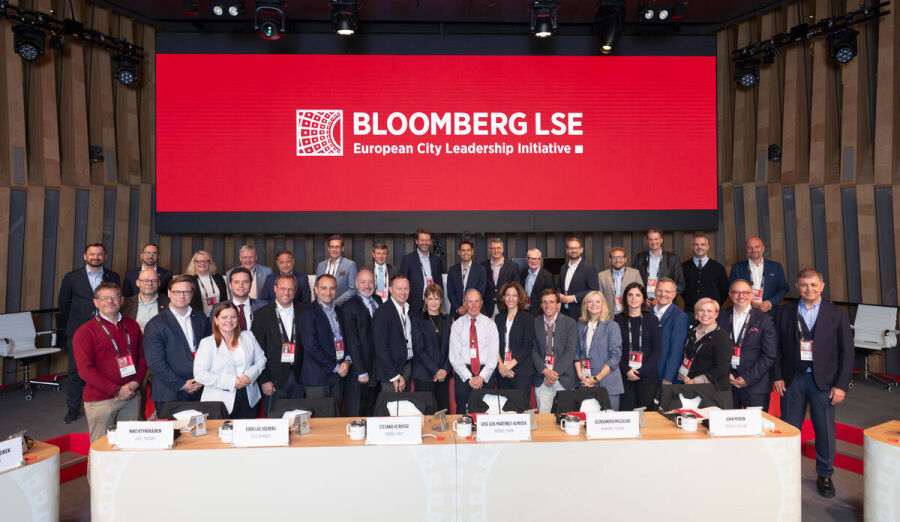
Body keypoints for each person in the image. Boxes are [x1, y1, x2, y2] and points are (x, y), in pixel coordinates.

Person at [773, 269, 853, 498]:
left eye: (814, 285)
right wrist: (777, 376)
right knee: (789, 428)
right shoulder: (785, 312)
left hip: (825, 382)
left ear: (822, 286)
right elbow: (774, 347)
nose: (809, 289)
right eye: (805, 285)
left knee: (824, 430)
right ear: (797, 286)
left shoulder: (836, 314)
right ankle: (786, 472)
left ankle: (825, 474)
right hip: (792, 380)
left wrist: (841, 385)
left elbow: (847, 353)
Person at [72, 282, 146, 442]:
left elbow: (142, 357)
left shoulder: (132, 325)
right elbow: (85, 370)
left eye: (114, 297)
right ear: (96, 302)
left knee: (129, 446)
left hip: (131, 396)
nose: (110, 301)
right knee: (101, 450)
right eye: (104, 298)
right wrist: (116, 390)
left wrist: (135, 383)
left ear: (121, 300)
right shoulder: (85, 332)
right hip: (102, 400)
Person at [58, 243, 121, 424]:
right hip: (78, 330)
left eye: (99, 254)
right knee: (76, 371)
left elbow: (115, 301)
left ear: (105, 257)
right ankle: (72, 409)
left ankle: (109, 404)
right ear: (85, 256)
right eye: (92, 254)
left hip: (106, 329)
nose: (96, 257)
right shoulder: (71, 277)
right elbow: (64, 304)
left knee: (107, 367)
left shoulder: (113, 276)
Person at [144, 275, 211, 414]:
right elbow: (156, 363)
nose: (182, 296)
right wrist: (181, 384)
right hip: (170, 392)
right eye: (177, 292)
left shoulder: (201, 318)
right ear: (169, 293)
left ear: (192, 294)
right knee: (174, 435)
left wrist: (204, 379)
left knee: (201, 432)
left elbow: (210, 351)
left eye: (186, 292)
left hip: (200, 389)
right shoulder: (155, 324)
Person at [194, 302, 267, 419]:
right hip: (219, 402)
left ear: (237, 319)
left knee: (247, 435)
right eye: (224, 317)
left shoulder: (248, 336)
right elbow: (200, 374)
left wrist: (250, 375)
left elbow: (261, 359)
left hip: (248, 397)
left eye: (233, 317)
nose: (229, 320)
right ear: (216, 320)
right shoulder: (207, 343)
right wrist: (232, 381)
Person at [717, 279, 777, 409]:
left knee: (755, 428)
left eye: (745, 292)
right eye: (736, 292)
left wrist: (747, 378)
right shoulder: (719, 317)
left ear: (752, 295)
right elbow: (714, 350)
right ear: (730, 294)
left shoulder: (765, 320)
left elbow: (769, 355)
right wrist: (724, 373)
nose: (741, 296)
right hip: (726, 383)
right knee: (728, 427)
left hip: (756, 386)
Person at [251, 274, 305, 416]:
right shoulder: (261, 314)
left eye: (290, 289)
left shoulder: (305, 311)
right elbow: (257, 351)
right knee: (275, 422)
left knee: (299, 421)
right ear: (275, 289)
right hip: (273, 380)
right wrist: (264, 379)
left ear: (295, 290)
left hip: (300, 378)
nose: (286, 293)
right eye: (282, 288)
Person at [339, 269, 383, 416]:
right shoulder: (348, 307)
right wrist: (361, 371)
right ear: (356, 284)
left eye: (371, 282)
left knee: (372, 411)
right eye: (363, 282)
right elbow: (352, 342)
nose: (367, 285)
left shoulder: (377, 300)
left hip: (376, 369)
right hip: (359, 372)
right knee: (357, 414)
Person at [373, 274, 427, 393]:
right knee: (392, 408)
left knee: (404, 408)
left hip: (406, 366)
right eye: (399, 288)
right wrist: (394, 375)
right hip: (391, 373)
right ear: (390, 289)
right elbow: (380, 348)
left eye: (406, 288)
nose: (403, 292)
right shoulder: (382, 312)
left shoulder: (409, 310)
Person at [449, 289, 499, 412]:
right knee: (462, 411)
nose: (473, 305)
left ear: (481, 303)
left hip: (486, 374)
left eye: (476, 301)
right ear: (464, 303)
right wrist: (470, 378)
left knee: (487, 412)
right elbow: (454, 356)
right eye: (470, 302)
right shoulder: (457, 325)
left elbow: (494, 355)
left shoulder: (490, 324)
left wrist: (481, 377)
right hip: (463, 375)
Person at [300, 275, 349, 399]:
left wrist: (347, 361)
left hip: (338, 375)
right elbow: (311, 347)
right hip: (318, 377)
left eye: (332, 288)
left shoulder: (340, 310)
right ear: (316, 289)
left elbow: (347, 338)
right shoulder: (308, 312)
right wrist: (335, 367)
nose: (328, 292)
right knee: (320, 416)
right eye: (324, 288)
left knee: (335, 414)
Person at [615, 283, 662, 411]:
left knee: (647, 419)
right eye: (630, 295)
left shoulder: (652, 320)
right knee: (627, 416)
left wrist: (641, 371)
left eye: (637, 295)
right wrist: (626, 370)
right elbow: (614, 351)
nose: (633, 298)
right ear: (624, 298)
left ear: (643, 299)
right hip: (625, 376)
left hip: (647, 377)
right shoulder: (616, 320)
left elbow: (657, 350)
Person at [678, 298, 732, 408]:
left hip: (715, 392)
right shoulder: (691, 332)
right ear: (696, 313)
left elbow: (722, 368)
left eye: (709, 311)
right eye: (701, 310)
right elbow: (686, 357)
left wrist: (695, 381)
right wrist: (683, 376)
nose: (705, 314)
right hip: (692, 388)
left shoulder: (722, 337)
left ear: (716, 314)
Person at [532, 289, 579, 414]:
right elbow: (533, 350)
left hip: (563, 379)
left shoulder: (570, 323)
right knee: (544, 422)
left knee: (564, 420)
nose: (548, 306)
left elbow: (570, 352)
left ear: (558, 304)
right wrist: (545, 371)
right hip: (542, 378)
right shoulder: (534, 322)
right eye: (545, 302)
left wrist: (553, 374)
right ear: (541, 305)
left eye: (552, 302)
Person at [576, 291, 624, 410]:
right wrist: (580, 375)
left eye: (598, 301)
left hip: (608, 384)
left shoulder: (612, 326)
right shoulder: (580, 325)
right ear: (585, 305)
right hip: (585, 383)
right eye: (590, 301)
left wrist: (597, 378)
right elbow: (576, 352)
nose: (594, 304)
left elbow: (615, 357)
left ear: (603, 305)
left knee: (609, 424)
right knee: (587, 424)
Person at [728, 237, 788, 317]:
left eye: (757, 247)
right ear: (746, 249)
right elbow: (731, 289)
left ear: (763, 248)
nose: (754, 250)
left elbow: (783, 289)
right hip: (745, 312)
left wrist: (770, 303)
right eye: (750, 248)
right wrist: (748, 300)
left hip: (771, 313)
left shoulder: (776, 266)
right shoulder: (737, 268)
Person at [416, 284, 452, 411]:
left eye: (437, 299)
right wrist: (436, 370)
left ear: (441, 300)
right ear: (425, 300)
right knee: (426, 415)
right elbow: (419, 350)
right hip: (425, 375)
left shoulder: (448, 319)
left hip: (443, 375)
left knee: (443, 413)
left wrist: (444, 370)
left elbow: (452, 349)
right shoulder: (418, 320)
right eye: (430, 299)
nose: (433, 302)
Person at [494, 281, 536, 392]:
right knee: (504, 408)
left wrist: (508, 366)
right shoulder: (498, 318)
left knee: (520, 408)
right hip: (502, 372)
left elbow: (527, 346)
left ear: (519, 298)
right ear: (503, 297)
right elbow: (494, 344)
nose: (510, 299)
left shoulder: (528, 318)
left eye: (514, 295)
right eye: (507, 295)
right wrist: (502, 366)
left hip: (521, 371)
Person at [633, 228, 685, 304]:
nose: (653, 242)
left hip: (665, 303)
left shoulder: (673, 258)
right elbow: (634, 281)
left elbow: (680, 284)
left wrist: (663, 299)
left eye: (656, 239)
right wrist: (642, 299)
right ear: (647, 241)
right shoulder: (639, 258)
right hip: (644, 303)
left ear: (661, 240)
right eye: (650, 239)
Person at [654, 278, 691, 385]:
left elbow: (677, 350)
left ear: (674, 294)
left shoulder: (680, 317)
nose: (663, 294)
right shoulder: (647, 312)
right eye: (660, 290)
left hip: (664, 374)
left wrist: (668, 378)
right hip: (646, 373)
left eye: (667, 292)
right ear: (655, 291)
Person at [400, 228, 443, 316]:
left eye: (427, 240)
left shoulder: (436, 260)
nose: (425, 243)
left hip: (432, 304)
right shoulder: (408, 259)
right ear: (416, 241)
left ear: (431, 242)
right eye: (422, 240)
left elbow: (439, 283)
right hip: (413, 305)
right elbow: (402, 284)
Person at [681, 234, 729, 314]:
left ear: (707, 247)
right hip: (690, 311)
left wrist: (714, 305)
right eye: (696, 244)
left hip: (711, 312)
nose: (699, 247)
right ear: (692, 247)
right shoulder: (683, 267)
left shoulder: (718, 268)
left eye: (703, 244)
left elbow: (724, 290)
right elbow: (681, 288)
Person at [558, 237, 599, 320]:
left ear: (581, 250)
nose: (574, 251)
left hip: (581, 313)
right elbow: (559, 286)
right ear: (567, 250)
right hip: (564, 312)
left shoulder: (589, 268)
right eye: (571, 248)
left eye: (576, 248)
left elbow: (594, 290)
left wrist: (574, 298)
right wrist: (559, 294)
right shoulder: (563, 268)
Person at [598, 247, 643, 316]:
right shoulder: (601, 276)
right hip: (609, 315)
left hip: (630, 313)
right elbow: (599, 297)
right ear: (610, 260)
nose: (618, 260)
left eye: (621, 257)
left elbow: (641, 293)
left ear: (625, 259)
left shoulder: (635, 273)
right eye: (614, 257)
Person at [315, 235, 358, 306]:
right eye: (332, 247)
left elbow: (353, 290)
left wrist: (334, 304)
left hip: (342, 308)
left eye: (337, 247)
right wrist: (321, 304)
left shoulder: (350, 265)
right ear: (328, 249)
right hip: (322, 307)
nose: (334, 250)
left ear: (342, 248)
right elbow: (316, 288)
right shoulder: (320, 265)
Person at [447, 240, 486, 319]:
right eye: (463, 250)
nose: (466, 253)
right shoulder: (452, 270)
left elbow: (481, 291)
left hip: (475, 310)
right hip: (457, 312)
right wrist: (458, 308)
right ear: (459, 252)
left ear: (472, 252)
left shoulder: (480, 269)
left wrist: (467, 307)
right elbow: (450, 292)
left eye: (468, 250)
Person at [482, 237, 519, 318]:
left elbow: (517, 288)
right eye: (493, 248)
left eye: (498, 248)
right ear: (489, 250)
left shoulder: (512, 266)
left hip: (506, 307)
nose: (496, 251)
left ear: (502, 249)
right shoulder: (482, 266)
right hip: (487, 309)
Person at [185, 250, 229, 317]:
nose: (202, 263)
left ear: (210, 263)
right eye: (199, 261)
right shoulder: (188, 280)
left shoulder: (218, 278)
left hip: (218, 317)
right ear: (194, 263)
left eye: (205, 261)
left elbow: (224, 300)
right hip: (198, 318)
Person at [519, 248, 555, 315]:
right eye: (531, 258)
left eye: (536, 259)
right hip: (524, 310)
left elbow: (551, 298)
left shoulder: (548, 276)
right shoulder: (524, 272)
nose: (533, 261)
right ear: (527, 259)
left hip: (540, 313)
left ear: (540, 260)